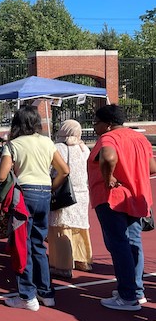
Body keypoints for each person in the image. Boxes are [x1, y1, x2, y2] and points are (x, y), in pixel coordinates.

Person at [0, 105, 69, 311]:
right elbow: (64, 170)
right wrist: (51, 188)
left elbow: (1, 175)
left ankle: (27, 295)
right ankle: (46, 292)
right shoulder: (47, 142)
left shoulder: (13, 145)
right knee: (38, 243)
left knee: (22, 244)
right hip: (44, 191)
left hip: (24, 194)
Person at [88, 104, 156, 311]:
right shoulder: (139, 138)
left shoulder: (109, 138)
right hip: (137, 196)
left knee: (119, 245)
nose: (94, 127)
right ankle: (136, 291)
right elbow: (152, 167)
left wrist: (109, 178)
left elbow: (108, 157)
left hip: (113, 198)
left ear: (108, 124)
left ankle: (128, 295)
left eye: (96, 123)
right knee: (133, 243)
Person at [48, 119, 93, 279]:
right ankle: (82, 260)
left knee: (62, 227)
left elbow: (52, 170)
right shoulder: (84, 149)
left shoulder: (58, 147)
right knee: (80, 227)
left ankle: (63, 265)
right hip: (81, 193)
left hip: (63, 192)